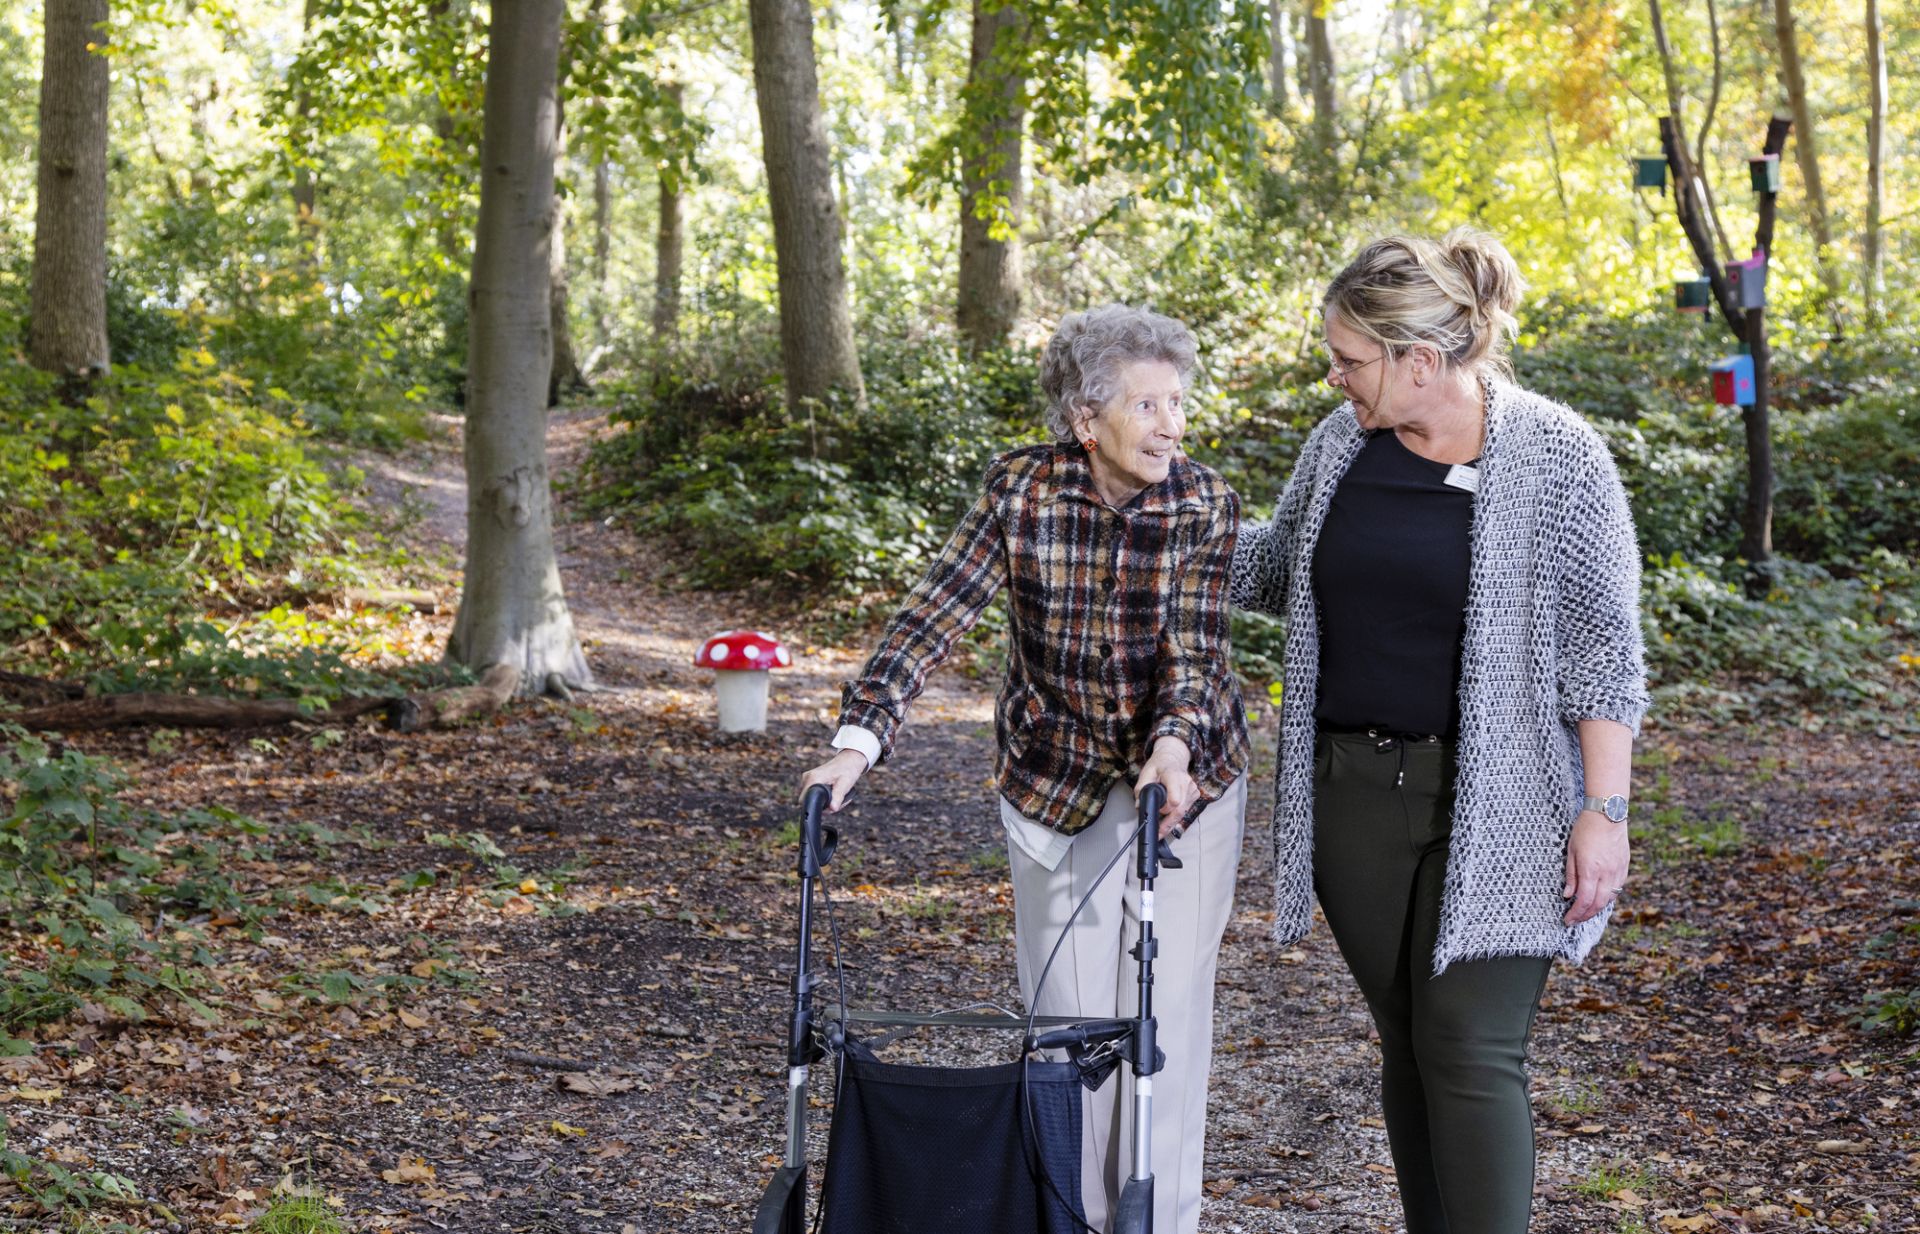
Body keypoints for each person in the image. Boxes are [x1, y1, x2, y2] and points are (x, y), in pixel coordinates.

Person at [1230, 229, 1649, 1234]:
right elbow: (1277, 568)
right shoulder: (1340, 445)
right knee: (1412, 1043)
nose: (1335, 378)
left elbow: (1604, 651)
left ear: (1421, 359)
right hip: (1354, 797)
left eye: (1348, 359)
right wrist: (1159, 513)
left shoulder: (1557, 457)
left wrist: (1606, 810)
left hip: (1506, 804)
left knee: (1469, 1045)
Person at [800, 304, 1250, 1234]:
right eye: (1148, 405)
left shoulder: (1204, 502)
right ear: (1087, 421)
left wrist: (1173, 745)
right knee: (1063, 1027)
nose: (1173, 425)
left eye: (1178, 402)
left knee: (1167, 1019)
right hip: (1052, 778)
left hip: (1184, 780)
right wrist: (859, 739)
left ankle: (1161, 1222)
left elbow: (1196, 652)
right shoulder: (1022, 491)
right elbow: (936, 611)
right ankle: (1068, 1217)